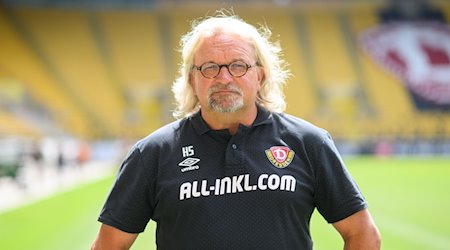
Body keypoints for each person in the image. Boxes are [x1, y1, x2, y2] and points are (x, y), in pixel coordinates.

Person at [91, 11, 381, 250]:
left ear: (260, 74)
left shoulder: (308, 143)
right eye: (209, 68)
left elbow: (362, 234)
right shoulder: (153, 153)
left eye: (238, 66)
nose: (224, 78)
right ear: (192, 79)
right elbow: (109, 245)